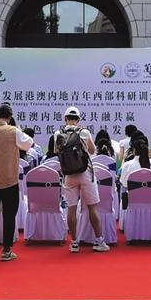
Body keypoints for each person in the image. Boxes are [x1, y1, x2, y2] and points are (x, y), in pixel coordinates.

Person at [0, 103, 33, 261]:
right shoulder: (14, 131)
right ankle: (6, 250)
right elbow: (28, 144)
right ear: (10, 117)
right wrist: (18, 129)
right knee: (9, 216)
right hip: (9, 180)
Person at [55, 106, 110, 253]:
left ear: (65, 119)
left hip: (68, 175)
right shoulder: (84, 132)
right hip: (85, 173)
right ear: (78, 119)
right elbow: (92, 151)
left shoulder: (58, 133)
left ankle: (74, 243)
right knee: (92, 207)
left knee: (71, 208)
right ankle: (99, 241)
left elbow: (56, 151)